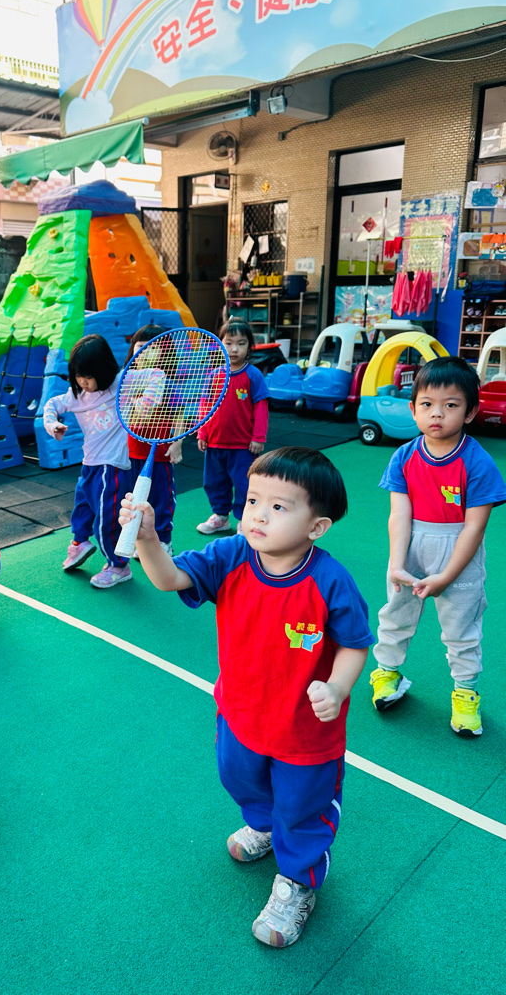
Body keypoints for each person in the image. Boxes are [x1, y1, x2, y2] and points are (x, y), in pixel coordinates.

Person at [121, 446, 372, 948]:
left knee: (303, 809)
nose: (258, 514)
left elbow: (354, 644)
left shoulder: (330, 581)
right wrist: (147, 538)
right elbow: (169, 579)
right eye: (253, 499)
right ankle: (263, 826)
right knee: (240, 780)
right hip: (239, 716)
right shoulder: (229, 555)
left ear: (316, 527)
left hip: (305, 734)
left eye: (278, 506)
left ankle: (298, 881)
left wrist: (338, 686)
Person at [369, 356, 506, 736]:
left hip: (458, 556)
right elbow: (399, 515)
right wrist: (396, 564)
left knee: (462, 630)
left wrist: (447, 576)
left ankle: (465, 693)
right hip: (410, 549)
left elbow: (475, 528)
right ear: (412, 408)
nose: (437, 413)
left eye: (451, 405)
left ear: (470, 412)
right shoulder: (404, 456)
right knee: (395, 616)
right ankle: (387, 673)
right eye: (427, 404)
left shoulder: (478, 462)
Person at [43, 334, 134, 588]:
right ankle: (79, 543)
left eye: (88, 376)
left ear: (103, 370)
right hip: (90, 463)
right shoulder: (79, 395)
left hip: (112, 465)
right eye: (78, 375)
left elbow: (156, 376)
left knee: (107, 518)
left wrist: (146, 402)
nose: (83, 381)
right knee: (82, 507)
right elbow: (51, 404)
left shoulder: (121, 382)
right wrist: (53, 425)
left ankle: (119, 565)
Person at [196, 319, 269, 535]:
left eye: (241, 343)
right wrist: (202, 432)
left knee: (244, 484)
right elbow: (205, 405)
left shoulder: (252, 375)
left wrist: (258, 437)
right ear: (220, 344)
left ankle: (244, 519)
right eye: (228, 343)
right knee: (214, 482)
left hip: (243, 446)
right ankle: (220, 516)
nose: (234, 349)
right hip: (215, 443)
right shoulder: (214, 375)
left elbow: (261, 408)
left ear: (249, 346)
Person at [124, 324, 183, 557]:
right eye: (140, 346)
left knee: (161, 500)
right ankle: (141, 541)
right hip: (131, 454)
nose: (144, 352)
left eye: (152, 348)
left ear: (165, 354)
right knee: (134, 500)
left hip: (159, 455)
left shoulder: (167, 384)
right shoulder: (126, 382)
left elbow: (179, 415)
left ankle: (164, 540)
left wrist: (177, 443)